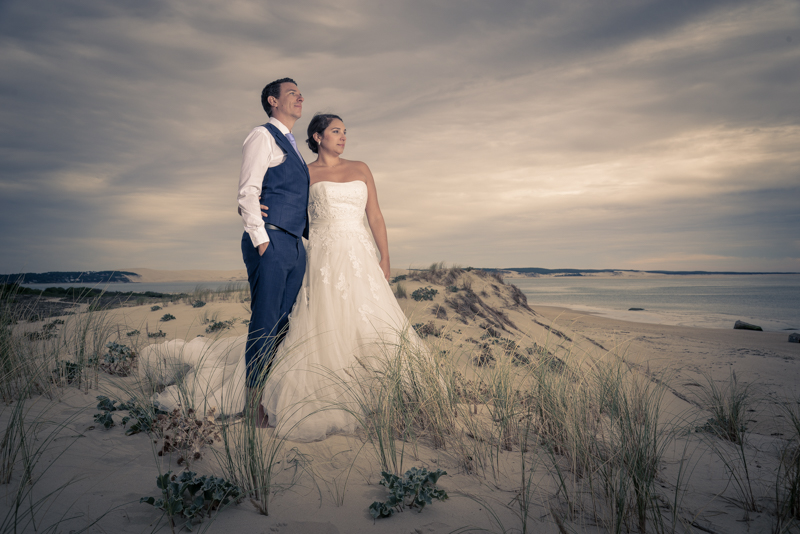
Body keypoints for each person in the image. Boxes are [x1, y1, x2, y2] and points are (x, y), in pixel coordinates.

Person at [139, 113, 430, 442]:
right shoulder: (305, 172)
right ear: (318, 137)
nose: (343, 137)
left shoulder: (361, 168)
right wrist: (252, 208)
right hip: (322, 256)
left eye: (345, 132)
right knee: (322, 322)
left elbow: (375, 214)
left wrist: (385, 256)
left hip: (360, 256)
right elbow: (272, 197)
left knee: (372, 319)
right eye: (336, 131)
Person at [238, 78, 309, 426]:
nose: (300, 97)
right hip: (273, 242)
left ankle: (271, 393)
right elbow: (248, 191)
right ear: (273, 100)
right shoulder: (262, 136)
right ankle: (253, 404)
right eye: (292, 93)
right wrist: (262, 239)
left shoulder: (293, 146)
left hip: (294, 244)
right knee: (265, 322)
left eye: (300, 93)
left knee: (283, 324)